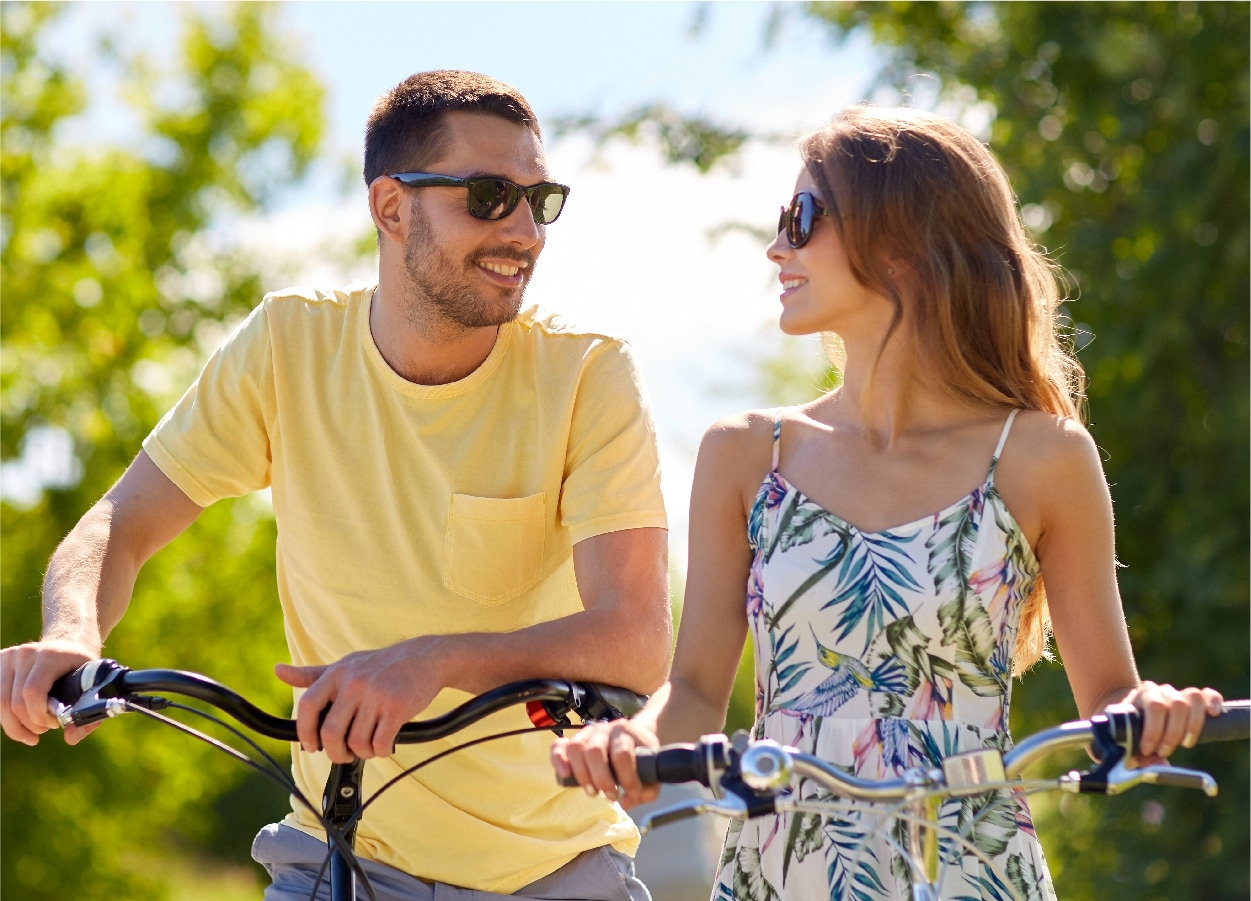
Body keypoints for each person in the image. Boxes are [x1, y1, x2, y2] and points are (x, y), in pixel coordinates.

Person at [0, 70, 671, 901]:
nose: (525, 230)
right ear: (391, 207)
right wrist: (72, 632)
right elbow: (122, 521)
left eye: (541, 200)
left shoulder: (587, 374)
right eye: (490, 196)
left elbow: (635, 635)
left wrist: (434, 660)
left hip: (551, 873)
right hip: (335, 855)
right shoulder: (288, 345)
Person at [551, 106, 1224, 900]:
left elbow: (1109, 696)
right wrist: (632, 739)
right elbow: (696, 685)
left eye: (802, 218)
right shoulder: (745, 453)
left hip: (972, 867)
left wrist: (1151, 711)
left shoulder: (1043, 457)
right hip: (785, 866)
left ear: (900, 240)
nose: (777, 248)